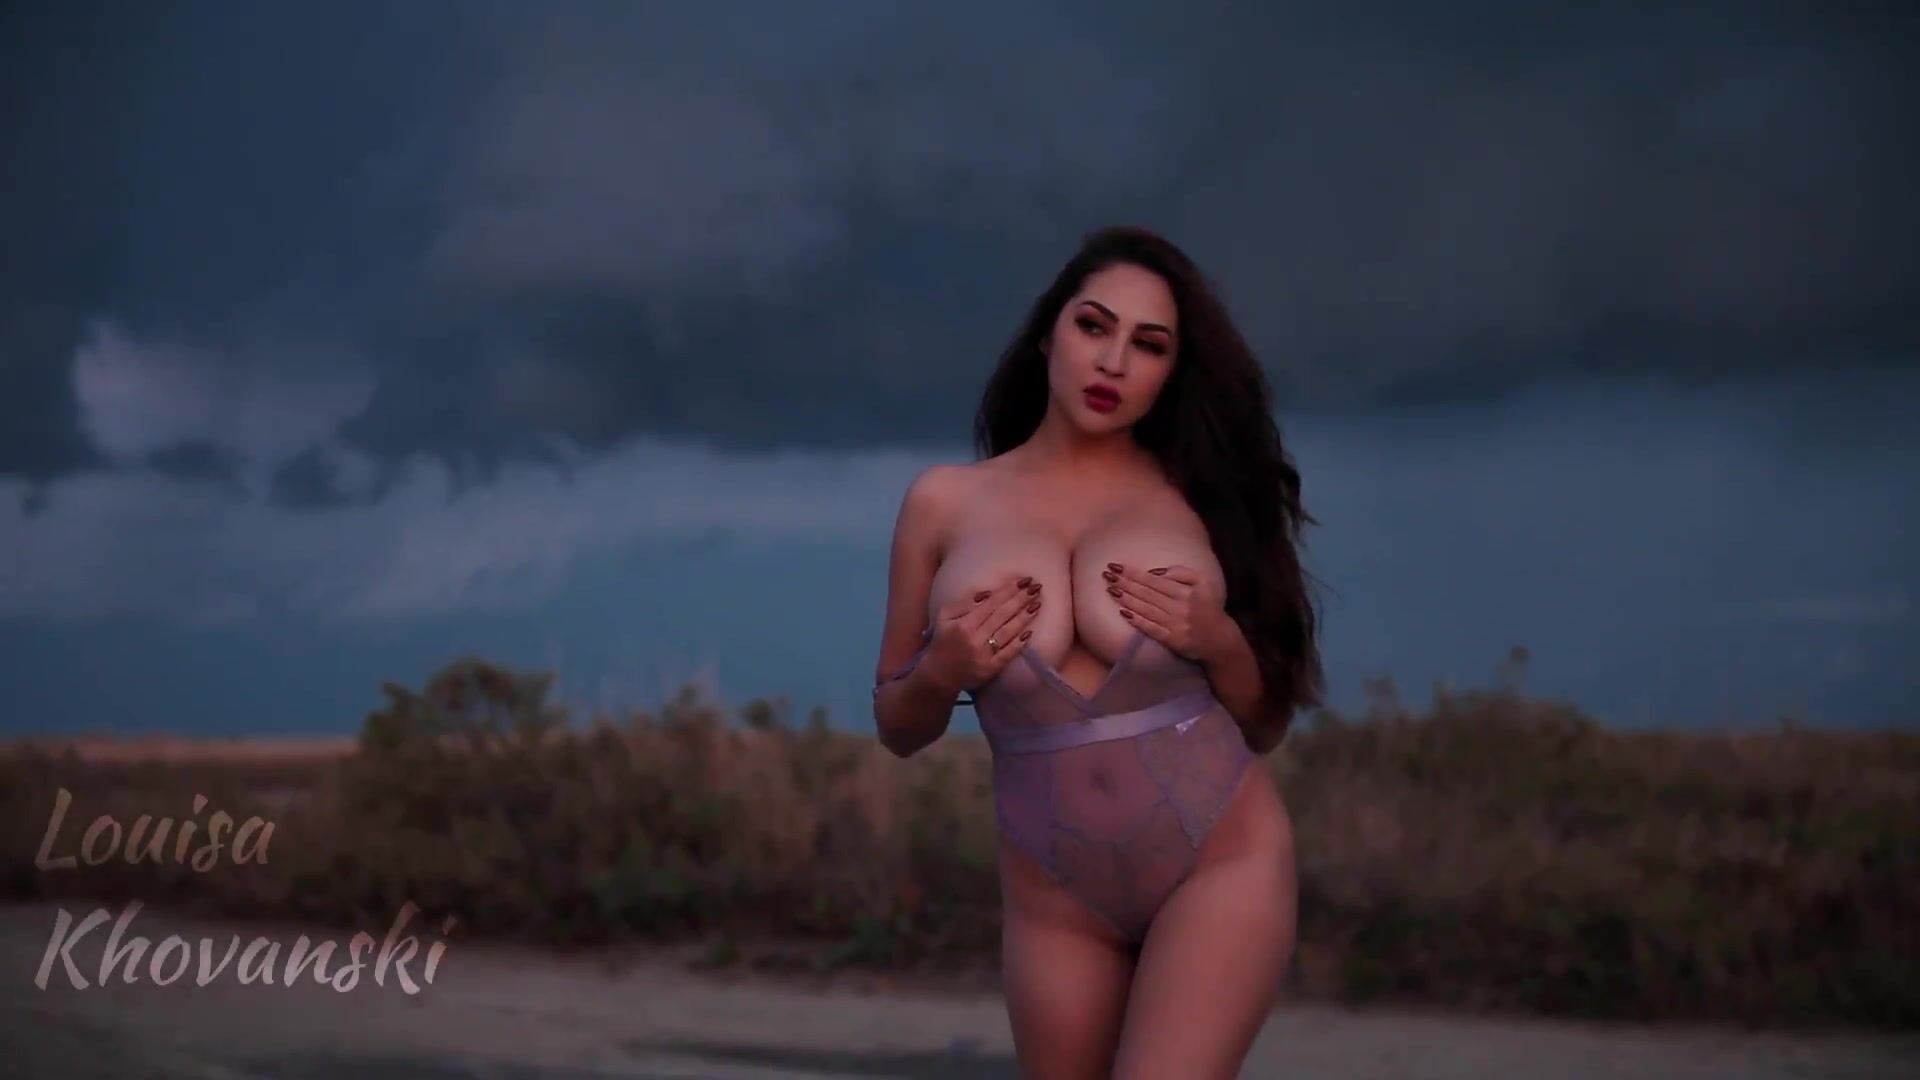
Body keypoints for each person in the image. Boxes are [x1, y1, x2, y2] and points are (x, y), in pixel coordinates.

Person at [871, 224, 1324, 1078]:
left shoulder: (1203, 499)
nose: (1113, 361)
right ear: (1049, 334)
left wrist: (1218, 640)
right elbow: (898, 724)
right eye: (1094, 326)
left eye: (1148, 345)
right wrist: (943, 671)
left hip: (1220, 862)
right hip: (1054, 898)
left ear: (1171, 371)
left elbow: (1265, 724)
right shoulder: (944, 503)